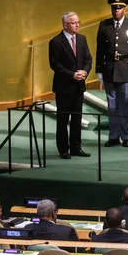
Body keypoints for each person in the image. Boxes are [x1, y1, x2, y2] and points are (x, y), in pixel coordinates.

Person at [96, 0, 128, 148]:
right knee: (112, 105)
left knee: (125, 104)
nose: (116, 11)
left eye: (119, 8)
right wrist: (99, 70)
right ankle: (114, 135)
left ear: (124, 9)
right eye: (114, 8)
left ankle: (126, 136)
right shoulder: (104, 25)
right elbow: (100, 49)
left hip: (126, 69)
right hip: (109, 69)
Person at [49, 11, 92, 159]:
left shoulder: (82, 39)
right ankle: (63, 149)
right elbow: (55, 64)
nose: (77, 25)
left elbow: (88, 59)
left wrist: (85, 72)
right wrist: (72, 74)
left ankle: (76, 147)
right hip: (64, 86)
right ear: (66, 25)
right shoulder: (56, 41)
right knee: (63, 119)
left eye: (78, 22)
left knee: (77, 118)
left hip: (79, 86)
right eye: (74, 23)